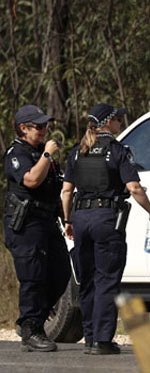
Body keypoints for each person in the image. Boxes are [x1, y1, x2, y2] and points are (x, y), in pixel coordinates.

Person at [61, 103, 150, 355]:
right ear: (107, 122)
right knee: (107, 280)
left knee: (87, 280)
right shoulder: (117, 150)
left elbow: (66, 191)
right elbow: (134, 188)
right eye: (117, 119)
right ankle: (103, 341)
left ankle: (91, 337)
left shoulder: (77, 151)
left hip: (81, 218)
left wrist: (68, 221)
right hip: (106, 219)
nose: (120, 123)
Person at [2, 105, 70, 352]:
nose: (44, 131)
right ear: (23, 128)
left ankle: (32, 322)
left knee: (61, 274)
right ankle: (31, 329)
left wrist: (67, 219)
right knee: (33, 278)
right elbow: (30, 180)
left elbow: (56, 189)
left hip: (47, 222)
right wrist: (47, 156)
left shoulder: (43, 154)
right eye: (38, 126)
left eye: (45, 126)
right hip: (26, 225)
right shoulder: (16, 153)